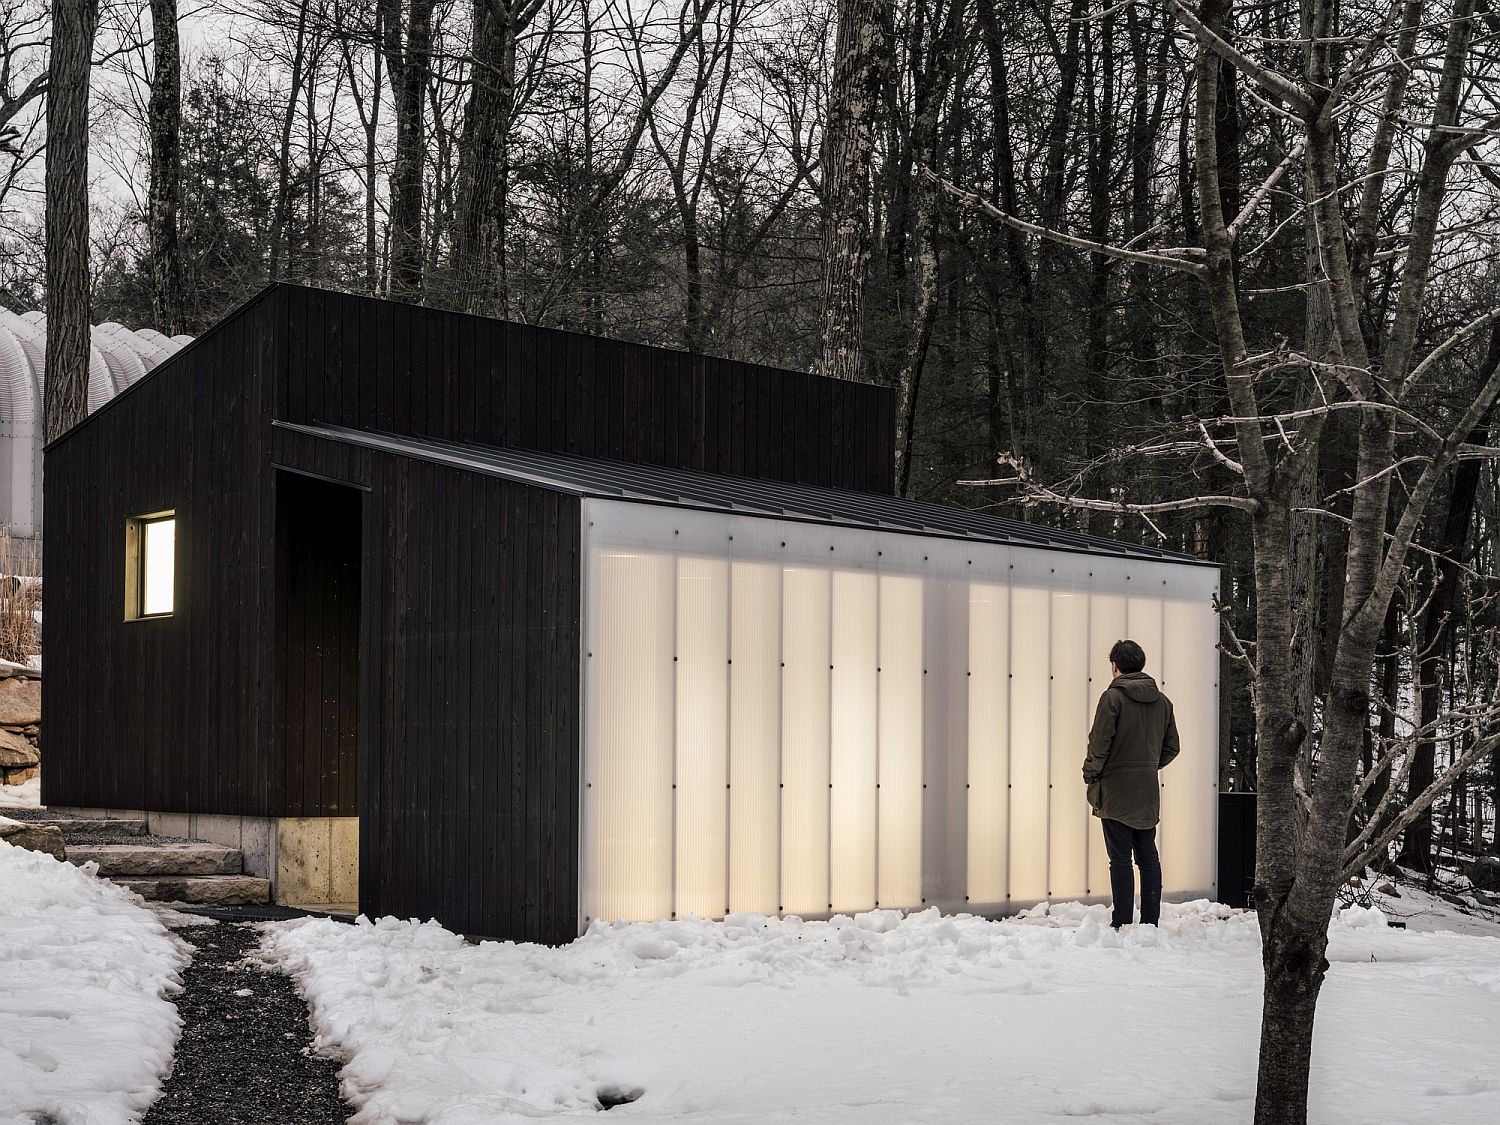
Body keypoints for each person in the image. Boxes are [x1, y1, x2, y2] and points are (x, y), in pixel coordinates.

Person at [1082, 639, 1180, 929]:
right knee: (1148, 856)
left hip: (1115, 791)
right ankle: (1150, 921)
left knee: (1120, 859)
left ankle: (1122, 922)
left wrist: (1092, 774)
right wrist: (1147, 766)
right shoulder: (1162, 702)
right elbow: (1172, 746)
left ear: (1115, 666)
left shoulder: (1112, 698)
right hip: (1147, 792)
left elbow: (1098, 744)